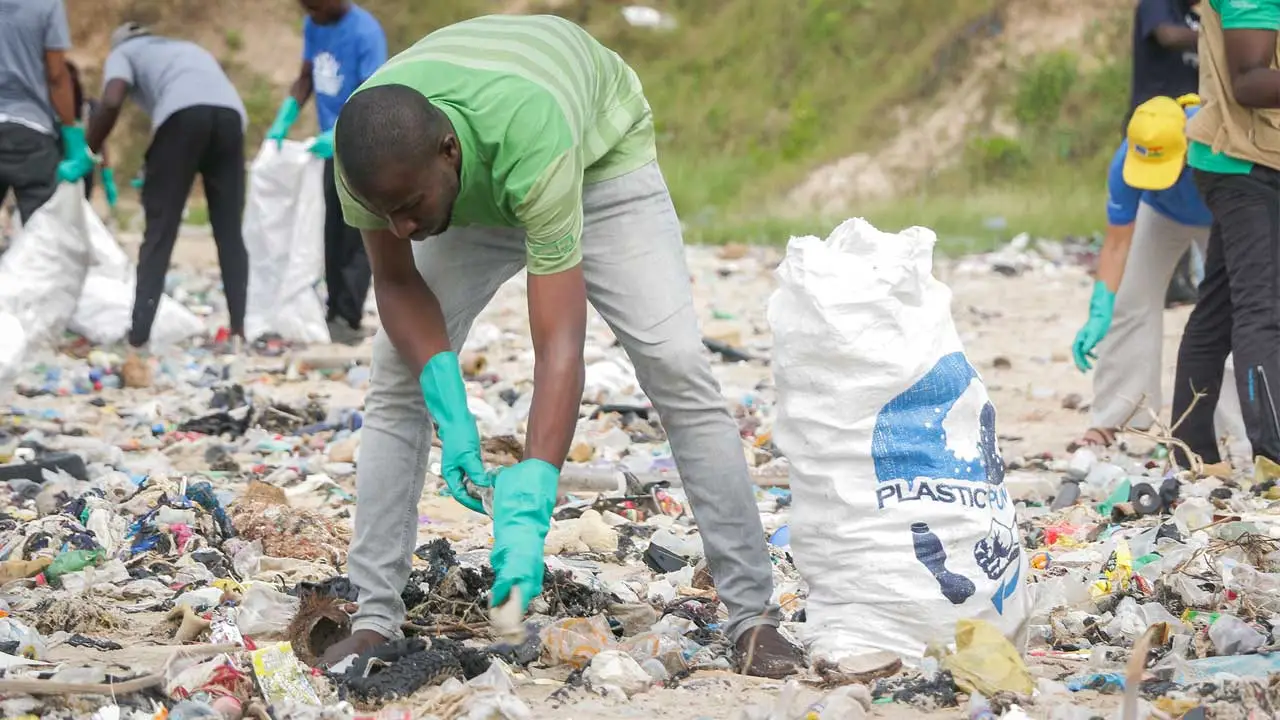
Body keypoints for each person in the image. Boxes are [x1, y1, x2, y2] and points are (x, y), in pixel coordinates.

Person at [318, 15, 802, 678]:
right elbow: (397, 280)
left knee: (675, 364)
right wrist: (448, 404)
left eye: (407, 206)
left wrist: (531, 497)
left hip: (597, 161)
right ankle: (374, 616)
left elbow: (559, 344)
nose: (402, 226)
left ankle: (752, 618)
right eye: (387, 212)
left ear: (448, 152)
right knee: (395, 381)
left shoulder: (529, 129)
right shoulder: (371, 160)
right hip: (462, 191)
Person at [1072, 95, 1249, 457]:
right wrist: (1100, 307)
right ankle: (1114, 417)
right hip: (1161, 214)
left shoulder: (1218, 141)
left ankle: (1235, 430)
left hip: (1222, 212)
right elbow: (1117, 244)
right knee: (1130, 302)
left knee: (1231, 311)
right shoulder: (1126, 160)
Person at [83, 23, 249, 349]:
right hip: (231, 119)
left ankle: (138, 336)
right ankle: (238, 332)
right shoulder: (186, 49)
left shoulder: (123, 52)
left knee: (160, 231)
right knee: (229, 231)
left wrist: (87, 149)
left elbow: (113, 100)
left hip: (182, 118)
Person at [1172, 0, 1280, 468]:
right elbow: (1248, 81)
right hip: (1241, 164)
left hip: (1258, 157)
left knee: (1218, 308)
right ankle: (1273, 451)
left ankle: (1191, 450)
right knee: (1261, 308)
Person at [266, 0, 386, 345]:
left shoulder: (366, 32)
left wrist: (339, 134)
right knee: (330, 229)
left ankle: (348, 317)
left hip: (361, 143)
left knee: (355, 234)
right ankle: (332, 312)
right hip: (328, 147)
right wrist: (285, 117)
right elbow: (305, 77)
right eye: (307, 10)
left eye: (316, 8)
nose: (312, 16)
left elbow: (372, 93)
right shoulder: (314, 25)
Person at [0, 0, 92, 224]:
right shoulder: (47, 4)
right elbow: (57, 76)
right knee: (42, 229)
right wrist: (72, 133)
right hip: (31, 131)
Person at [1130, 0, 1201, 120]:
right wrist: (1213, 38)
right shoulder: (1157, 4)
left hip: (1189, 116)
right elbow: (1168, 36)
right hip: (1154, 120)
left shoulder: (1194, 18)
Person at [65, 60, 118, 211]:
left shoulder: (90, 108)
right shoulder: (49, 107)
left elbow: (101, 143)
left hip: (82, 170)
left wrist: (107, 177)